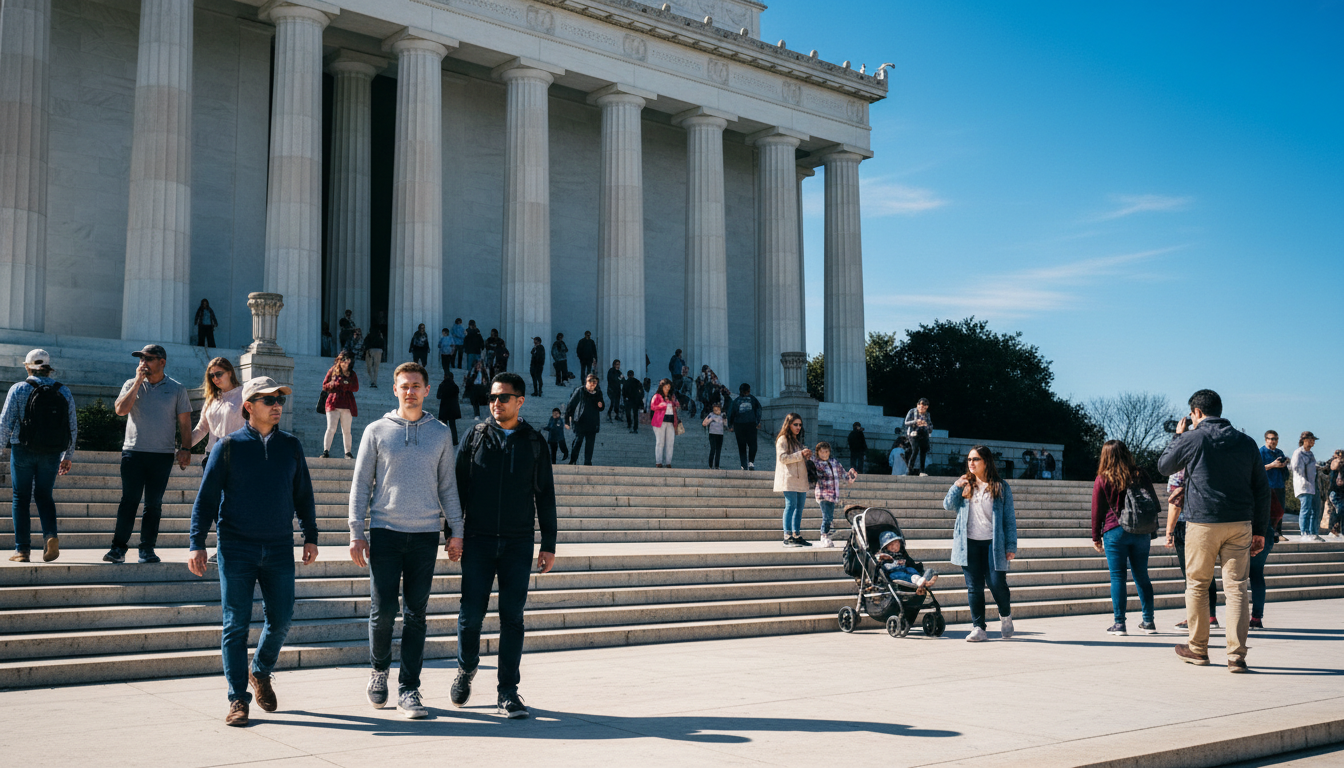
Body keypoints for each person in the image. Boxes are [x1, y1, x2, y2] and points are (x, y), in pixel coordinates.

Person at [187, 376, 319, 727]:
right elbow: (206, 499)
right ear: (248, 407)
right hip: (237, 547)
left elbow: (303, 494)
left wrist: (310, 535)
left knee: (283, 617)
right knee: (235, 624)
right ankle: (237, 699)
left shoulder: (290, 446)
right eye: (268, 400)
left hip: (278, 546)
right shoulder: (227, 447)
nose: (277, 405)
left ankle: (259, 669)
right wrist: (196, 542)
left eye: (280, 399)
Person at [349, 362, 462, 719]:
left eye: (416, 385)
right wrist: (356, 531)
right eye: (404, 386)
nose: (410, 391)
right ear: (394, 390)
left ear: (427, 390)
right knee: (382, 611)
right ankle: (379, 671)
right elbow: (361, 484)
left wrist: (456, 529)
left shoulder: (441, 433)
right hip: (386, 532)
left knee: (416, 615)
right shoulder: (376, 430)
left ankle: (409, 689)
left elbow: (448, 486)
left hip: (426, 535)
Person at [451, 372, 558, 719]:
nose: (496, 403)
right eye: (493, 397)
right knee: (470, 617)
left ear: (520, 401)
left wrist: (549, 543)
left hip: (517, 542)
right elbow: (457, 491)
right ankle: (466, 669)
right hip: (478, 541)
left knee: (512, 618)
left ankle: (508, 691)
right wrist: (452, 532)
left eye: (504, 397)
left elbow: (545, 496)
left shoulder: (534, 442)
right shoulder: (475, 437)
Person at [1157, 389, 1268, 673]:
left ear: (1196, 412)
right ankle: (1236, 656)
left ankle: (1198, 648)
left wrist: (1179, 436)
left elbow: (1164, 466)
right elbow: (1261, 488)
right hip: (1240, 523)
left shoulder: (1193, 437)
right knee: (1237, 589)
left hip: (1203, 522)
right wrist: (1260, 530)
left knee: (1197, 585)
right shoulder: (1246, 442)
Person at [104, 345, 192, 564]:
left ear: (162, 362)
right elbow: (120, 410)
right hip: (133, 452)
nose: (143, 363)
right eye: (141, 359)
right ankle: (118, 549)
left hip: (161, 455)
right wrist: (136, 383)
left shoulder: (176, 388)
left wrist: (186, 449)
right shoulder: (130, 384)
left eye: (149, 359)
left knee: (153, 504)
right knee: (129, 501)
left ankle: (147, 549)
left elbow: (184, 422)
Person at [1, 349, 77, 563]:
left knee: (20, 498)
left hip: (22, 449)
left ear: (27, 366)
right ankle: (51, 536)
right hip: (52, 452)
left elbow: (5, 423)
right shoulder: (64, 391)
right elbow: (72, 427)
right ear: (48, 368)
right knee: (44, 495)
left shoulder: (18, 389)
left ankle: (22, 550)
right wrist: (68, 455)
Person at [943, 445, 1017, 642]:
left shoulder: (1001, 487)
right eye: (969, 460)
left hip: (994, 544)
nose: (971, 463)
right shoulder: (965, 484)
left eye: (975, 459)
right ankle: (979, 627)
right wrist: (956, 485)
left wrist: (1011, 546)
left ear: (986, 462)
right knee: (974, 586)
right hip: (969, 543)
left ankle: (1005, 615)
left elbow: (1009, 520)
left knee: (996, 583)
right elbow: (947, 505)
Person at [1091, 440, 1158, 636]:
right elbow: (1152, 501)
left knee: (1118, 577)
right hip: (1141, 531)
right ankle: (1148, 621)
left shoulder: (1103, 479)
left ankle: (1119, 624)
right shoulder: (1140, 474)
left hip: (1115, 530)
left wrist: (1096, 536)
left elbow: (1097, 510)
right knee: (1142, 575)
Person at [191, 358, 246, 566]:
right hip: (211, 458)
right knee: (214, 508)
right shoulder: (212, 399)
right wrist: (184, 447)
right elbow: (202, 429)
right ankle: (224, 548)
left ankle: (230, 548)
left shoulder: (243, 395)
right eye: (211, 375)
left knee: (230, 507)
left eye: (219, 374)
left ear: (230, 372)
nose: (215, 379)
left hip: (237, 459)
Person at [1165, 468, 1220, 630]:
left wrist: (1169, 531)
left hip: (1187, 525)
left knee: (1191, 574)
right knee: (1207, 571)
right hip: (1210, 523)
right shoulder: (1210, 465)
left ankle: (1194, 617)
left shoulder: (1179, 471)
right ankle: (1211, 616)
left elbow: (1176, 504)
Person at [773, 413, 811, 546]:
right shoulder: (782, 439)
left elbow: (798, 458)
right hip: (788, 478)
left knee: (799, 508)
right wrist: (800, 454)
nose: (798, 427)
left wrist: (806, 454)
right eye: (795, 424)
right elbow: (783, 458)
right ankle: (787, 535)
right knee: (791, 506)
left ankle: (797, 534)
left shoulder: (797, 441)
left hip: (801, 479)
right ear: (788, 425)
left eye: (800, 425)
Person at [809, 442, 856, 548]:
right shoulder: (816, 462)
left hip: (833, 495)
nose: (824, 454)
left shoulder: (834, 462)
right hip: (822, 494)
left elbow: (843, 474)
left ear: (829, 452)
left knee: (829, 518)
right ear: (818, 452)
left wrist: (850, 477)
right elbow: (809, 465)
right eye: (821, 452)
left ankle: (827, 536)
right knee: (827, 516)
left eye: (826, 452)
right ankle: (824, 536)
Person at [321, 353, 359, 460]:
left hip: (347, 404)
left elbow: (356, 387)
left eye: (348, 361)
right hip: (333, 402)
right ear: (339, 360)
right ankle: (325, 451)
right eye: (343, 360)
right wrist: (335, 384)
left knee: (346, 430)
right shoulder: (332, 371)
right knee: (331, 428)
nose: (345, 363)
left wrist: (346, 384)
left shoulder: (352, 374)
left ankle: (348, 453)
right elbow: (324, 385)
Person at [564, 374, 604, 466]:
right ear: (587, 382)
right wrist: (567, 421)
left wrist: (601, 405)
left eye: (594, 383)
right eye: (590, 382)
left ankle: (587, 462)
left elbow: (601, 407)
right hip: (580, 421)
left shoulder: (598, 393)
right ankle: (573, 460)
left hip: (592, 422)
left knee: (590, 444)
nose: (592, 385)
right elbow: (571, 405)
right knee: (578, 440)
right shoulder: (580, 391)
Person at [1291, 431, 1321, 542]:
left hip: (1313, 485)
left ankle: (1314, 532)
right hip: (1304, 485)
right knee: (1306, 510)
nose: (1312, 442)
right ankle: (1304, 532)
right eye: (1309, 440)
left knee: (1316, 509)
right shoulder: (1298, 453)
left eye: (1313, 440)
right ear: (1303, 440)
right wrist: (1304, 481)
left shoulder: (1311, 454)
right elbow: (1296, 469)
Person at [727, 383, 763, 471]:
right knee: (753, 444)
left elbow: (731, 413)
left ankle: (743, 464)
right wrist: (757, 421)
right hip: (751, 424)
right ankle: (751, 462)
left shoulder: (736, 401)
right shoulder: (753, 399)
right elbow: (759, 409)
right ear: (748, 390)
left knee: (741, 445)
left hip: (739, 424)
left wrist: (730, 425)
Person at [1259, 431, 1288, 537]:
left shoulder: (1279, 452)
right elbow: (1257, 469)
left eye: (1275, 439)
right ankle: (1266, 533)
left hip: (1279, 485)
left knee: (1280, 510)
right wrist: (1272, 465)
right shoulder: (1261, 452)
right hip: (1267, 486)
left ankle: (1278, 533)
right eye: (1271, 439)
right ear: (1266, 439)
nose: (1273, 441)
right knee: (1267, 511)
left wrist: (1284, 464)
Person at [650, 378, 680, 468]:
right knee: (660, 442)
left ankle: (668, 462)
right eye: (666, 387)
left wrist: (676, 404)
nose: (667, 389)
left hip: (671, 422)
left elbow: (677, 405)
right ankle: (659, 461)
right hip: (660, 421)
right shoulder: (657, 396)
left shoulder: (672, 396)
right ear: (662, 387)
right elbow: (652, 406)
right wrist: (661, 405)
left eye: (669, 387)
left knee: (670, 442)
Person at [904, 398, 933, 476]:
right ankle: (909, 470)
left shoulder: (927, 414)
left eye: (924, 408)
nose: (922, 409)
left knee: (923, 451)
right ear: (918, 405)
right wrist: (915, 422)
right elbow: (906, 422)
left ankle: (922, 471)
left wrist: (926, 425)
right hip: (913, 434)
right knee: (915, 449)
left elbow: (930, 426)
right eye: (920, 407)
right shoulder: (912, 411)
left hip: (923, 434)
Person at [436, 371, 462, 446]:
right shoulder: (455, 386)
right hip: (452, 408)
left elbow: (438, 396)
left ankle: (443, 441)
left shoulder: (442, 385)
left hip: (444, 407)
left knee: (444, 425)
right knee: (452, 425)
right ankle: (454, 440)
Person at [703, 403, 726, 469]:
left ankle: (717, 465)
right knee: (713, 449)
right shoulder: (711, 415)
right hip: (712, 434)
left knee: (718, 450)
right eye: (715, 410)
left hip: (720, 434)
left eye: (718, 410)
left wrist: (724, 419)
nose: (716, 411)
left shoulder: (722, 415)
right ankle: (710, 464)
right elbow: (704, 423)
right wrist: (711, 419)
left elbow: (725, 424)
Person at [1328, 454, 1344, 540]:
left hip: (1340, 493)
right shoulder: (1334, 467)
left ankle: (1336, 530)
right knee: (1338, 510)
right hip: (1335, 493)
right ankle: (1333, 529)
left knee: (1339, 511)